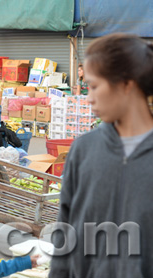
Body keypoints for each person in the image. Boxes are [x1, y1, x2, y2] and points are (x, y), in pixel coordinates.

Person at [50, 34, 153, 277]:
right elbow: (65, 230)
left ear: (127, 85)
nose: (89, 98)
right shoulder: (83, 150)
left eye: (95, 86)